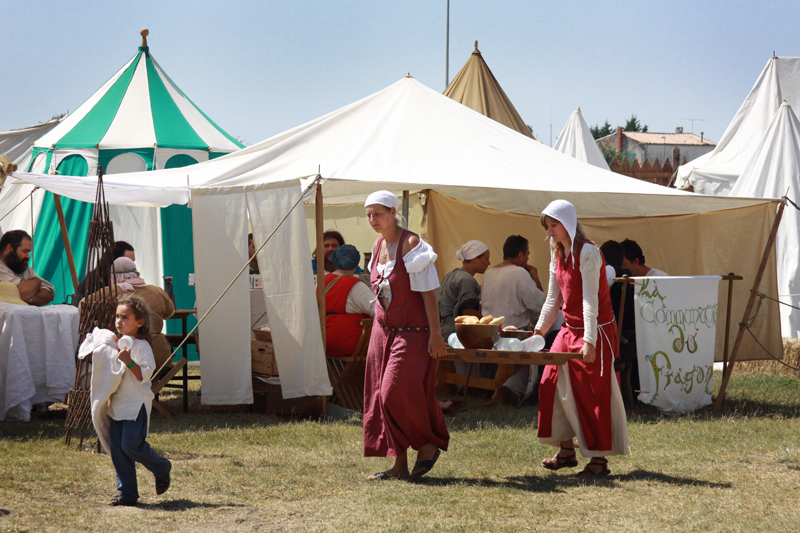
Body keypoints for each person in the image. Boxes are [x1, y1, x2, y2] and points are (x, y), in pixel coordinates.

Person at [534, 200, 629, 478]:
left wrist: (590, 341)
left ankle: (599, 461)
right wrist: (538, 332)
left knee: (592, 393)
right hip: (569, 330)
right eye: (547, 227)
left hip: (594, 330)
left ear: (568, 224)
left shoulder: (588, 252)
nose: (549, 231)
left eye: (553, 225)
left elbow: (590, 300)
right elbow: (554, 299)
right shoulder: (557, 253)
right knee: (550, 382)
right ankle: (566, 451)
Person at [363, 190, 449, 480]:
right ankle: (398, 465)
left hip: (412, 333)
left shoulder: (412, 242)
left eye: (378, 213)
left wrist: (435, 335)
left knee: (393, 393)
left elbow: (429, 296)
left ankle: (426, 444)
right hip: (382, 332)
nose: (373, 219)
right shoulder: (378, 245)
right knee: (379, 397)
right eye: (369, 214)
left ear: (392, 212)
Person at [107, 295, 172, 505]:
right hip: (117, 404)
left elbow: (145, 375)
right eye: (117, 316)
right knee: (117, 450)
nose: (119, 321)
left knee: (131, 445)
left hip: (135, 405)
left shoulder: (142, 346)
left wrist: (129, 361)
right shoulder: (114, 344)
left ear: (140, 322)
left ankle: (161, 467)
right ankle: (127, 494)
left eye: (125, 317)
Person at [481, 235, 545, 406]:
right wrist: (536, 279)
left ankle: (509, 389)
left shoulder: (489, 274)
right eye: (527, 255)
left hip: (489, 336)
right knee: (543, 347)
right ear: (520, 255)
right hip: (511, 337)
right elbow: (541, 305)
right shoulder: (519, 273)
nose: (528, 258)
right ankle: (510, 390)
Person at [86, 257, 175, 370]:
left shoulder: (110, 291)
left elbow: (82, 306)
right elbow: (169, 313)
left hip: (126, 354)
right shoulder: (156, 290)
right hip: (160, 355)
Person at [320, 244, 375, 356]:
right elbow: (378, 310)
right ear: (356, 262)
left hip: (323, 342)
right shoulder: (355, 285)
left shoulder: (322, 281)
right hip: (349, 346)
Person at [438, 240, 491, 341]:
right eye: (486, 259)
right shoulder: (466, 280)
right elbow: (467, 310)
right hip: (457, 334)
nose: (488, 263)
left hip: (444, 331)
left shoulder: (451, 276)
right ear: (475, 259)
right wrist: (487, 322)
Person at [0, 229, 54, 306]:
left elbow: (49, 293)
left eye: (29, 252)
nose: (28, 256)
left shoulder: (23, 267)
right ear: (10, 248)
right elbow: (22, 292)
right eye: (25, 251)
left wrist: (29, 299)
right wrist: (37, 281)